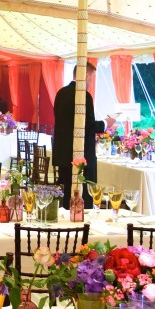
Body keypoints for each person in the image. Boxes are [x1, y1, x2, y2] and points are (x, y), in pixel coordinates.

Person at [53, 63, 114, 207]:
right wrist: (106, 123)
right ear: (86, 76)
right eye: (92, 78)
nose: (92, 83)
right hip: (81, 156)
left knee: (66, 198)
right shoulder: (84, 95)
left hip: (63, 155)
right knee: (82, 199)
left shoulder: (60, 93)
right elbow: (88, 125)